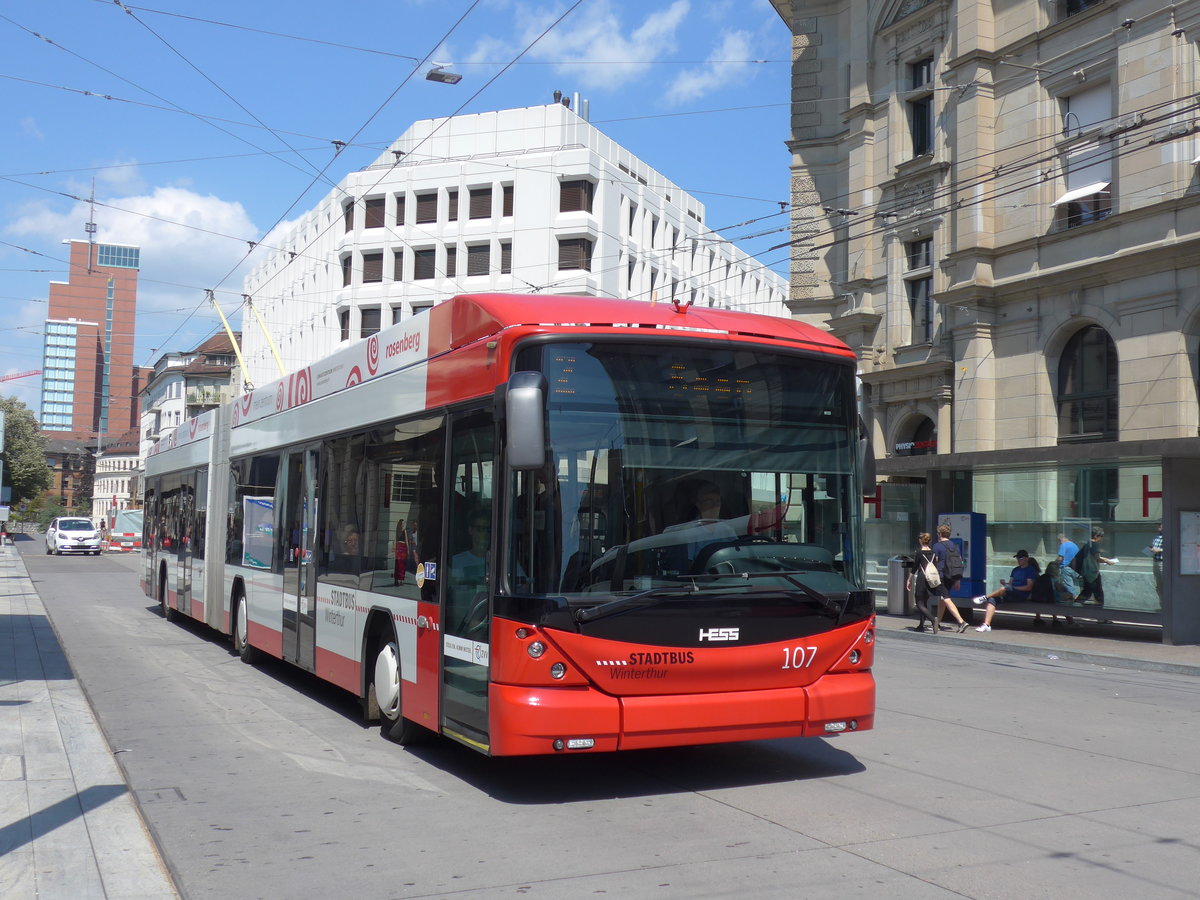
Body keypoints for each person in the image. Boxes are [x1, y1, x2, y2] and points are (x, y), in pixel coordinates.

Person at [971, 549, 1038, 633]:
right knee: (993, 600)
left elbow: (1029, 587)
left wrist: (1012, 588)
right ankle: (986, 625)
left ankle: (985, 597)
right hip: (1012, 592)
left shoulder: (1030, 570)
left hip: (1021, 594)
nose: (1018, 561)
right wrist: (1005, 584)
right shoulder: (1015, 570)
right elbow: (1010, 584)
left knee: (1004, 589)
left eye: (1021, 559)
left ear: (1026, 559)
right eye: (1017, 559)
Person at [930, 524, 969, 633]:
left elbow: (933, 562)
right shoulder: (954, 546)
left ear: (940, 534)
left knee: (946, 598)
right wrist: (957, 580)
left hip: (941, 575)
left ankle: (961, 622)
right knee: (943, 600)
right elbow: (960, 562)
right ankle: (937, 624)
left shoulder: (937, 546)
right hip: (951, 576)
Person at [1074, 527, 1116, 607]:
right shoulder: (1095, 544)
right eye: (1101, 536)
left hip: (1087, 572)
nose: (1101, 538)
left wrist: (1106, 559)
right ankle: (1101, 616)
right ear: (1096, 536)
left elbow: (1093, 557)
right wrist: (1108, 561)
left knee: (1087, 592)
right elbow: (1097, 558)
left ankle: (1074, 606)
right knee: (1098, 594)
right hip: (1093, 574)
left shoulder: (1088, 544)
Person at [1150, 522, 1163, 606]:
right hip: (1155, 562)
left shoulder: (1169, 535)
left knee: (1165, 584)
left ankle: (1167, 606)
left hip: (1163, 563)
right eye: (1157, 525)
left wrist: (1160, 550)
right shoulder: (1157, 536)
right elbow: (1152, 547)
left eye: (1160, 525)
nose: (1158, 526)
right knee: (1158, 585)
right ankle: (1162, 604)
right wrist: (1150, 549)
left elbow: (1172, 547)